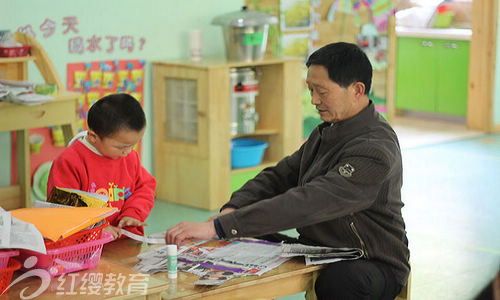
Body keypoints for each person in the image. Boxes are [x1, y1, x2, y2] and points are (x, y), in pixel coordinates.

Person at [166, 42, 410, 300]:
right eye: (311, 90)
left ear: (357, 90)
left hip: (371, 260)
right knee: (244, 234)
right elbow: (279, 176)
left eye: (322, 92)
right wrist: (233, 209)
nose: (314, 100)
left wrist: (221, 227)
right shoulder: (327, 131)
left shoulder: (375, 148)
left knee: (340, 282)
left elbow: (310, 202)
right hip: (321, 247)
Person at [48, 93, 156, 240]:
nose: (128, 151)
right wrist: (99, 227)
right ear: (93, 137)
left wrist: (132, 213)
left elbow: (145, 186)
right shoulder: (70, 162)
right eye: (121, 147)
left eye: (133, 145)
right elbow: (63, 208)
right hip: (85, 244)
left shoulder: (128, 157)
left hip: (121, 241)